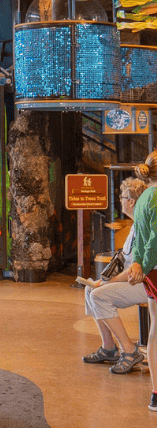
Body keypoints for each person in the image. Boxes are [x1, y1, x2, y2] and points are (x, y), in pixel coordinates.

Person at [82, 177, 147, 374]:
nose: (120, 200)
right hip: (133, 280)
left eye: (123, 196)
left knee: (99, 294)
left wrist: (109, 281)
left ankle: (129, 350)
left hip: (145, 283)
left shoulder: (143, 227)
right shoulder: (135, 224)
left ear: (132, 202)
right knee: (90, 288)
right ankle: (109, 347)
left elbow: (137, 268)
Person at [124, 152, 157, 411]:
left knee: (155, 331)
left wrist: (140, 265)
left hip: (151, 273)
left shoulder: (144, 196)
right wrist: (142, 265)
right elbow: (154, 239)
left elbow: (138, 237)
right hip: (153, 267)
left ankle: (156, 393)